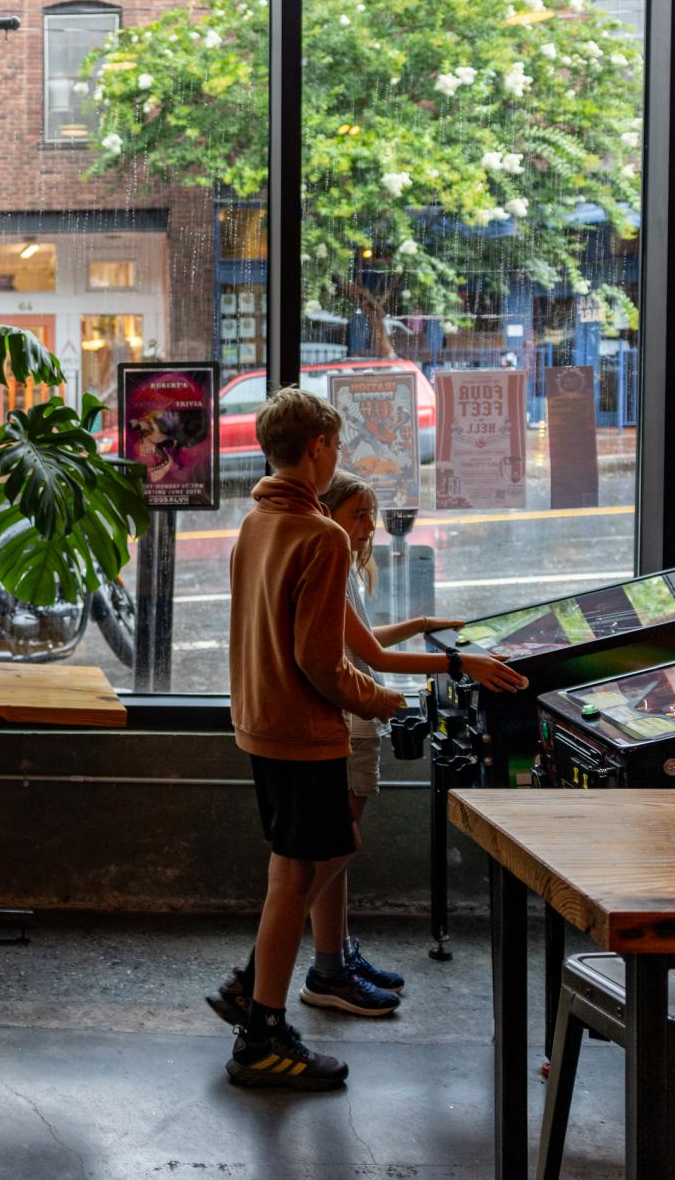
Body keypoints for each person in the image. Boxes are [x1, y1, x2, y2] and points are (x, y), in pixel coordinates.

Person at [212, 471, 527, 1020]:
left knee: (327, 854)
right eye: (359, 514)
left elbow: (365, 642)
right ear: (328, 511)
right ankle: (263, 970)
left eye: (372, 515)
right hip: (345, 721)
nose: (370, 527)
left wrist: (425, 625)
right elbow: (366, 661)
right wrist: (454, 664)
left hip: (346, 719)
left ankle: (331, 964)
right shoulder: (323, 551)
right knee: (333, 851)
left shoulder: (332, 560)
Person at [218, 387, 403, 1092]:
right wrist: (381, 699)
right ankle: (260, 1032)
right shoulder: (320, 536)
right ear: (319, 449)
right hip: (304, 732)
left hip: (260, 724)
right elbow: (321, 662)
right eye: (337, 449)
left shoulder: (256, 525)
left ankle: (253, 989)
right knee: (300, 872)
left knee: (292, 870)